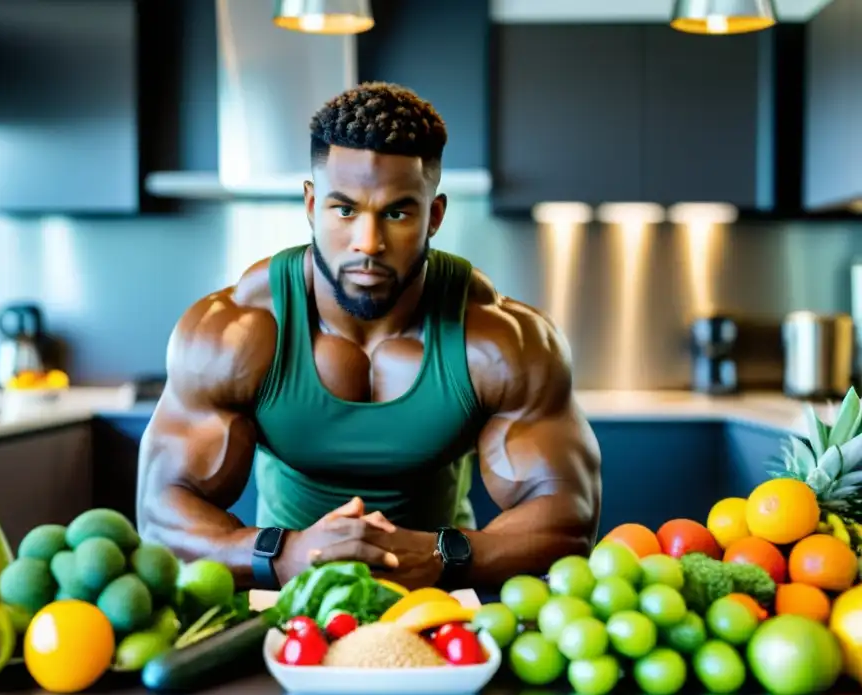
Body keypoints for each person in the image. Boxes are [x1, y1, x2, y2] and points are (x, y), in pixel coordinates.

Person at [136, 82, 602, 593]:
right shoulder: (237, 331)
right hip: (282, 599)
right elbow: (161, 514)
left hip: (439, 597)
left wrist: (445, 554)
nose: (368, 243)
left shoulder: (499, 340)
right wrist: (284, 553)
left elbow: (567, 515)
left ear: (435, 216)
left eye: (397, 213)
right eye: (345, 210)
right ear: (311, 206)